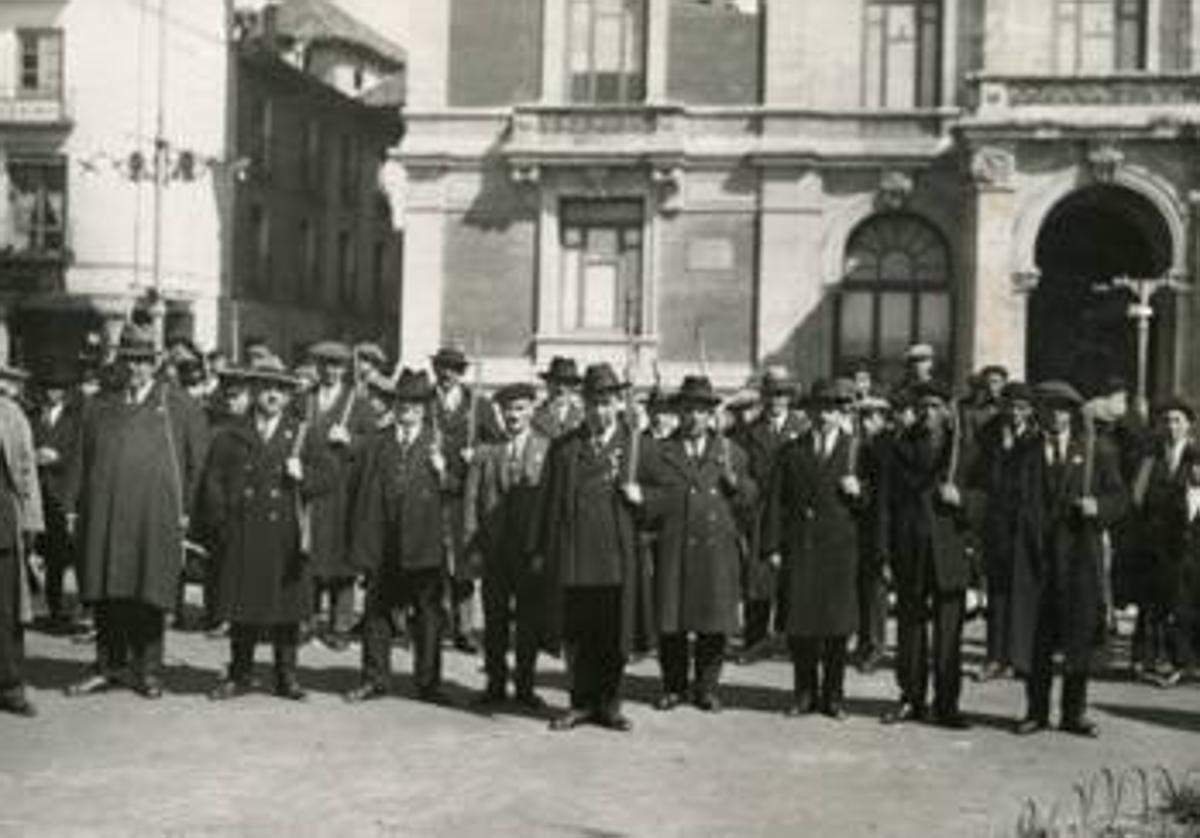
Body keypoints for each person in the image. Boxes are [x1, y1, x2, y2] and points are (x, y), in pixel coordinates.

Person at [63, 323, 208, 699]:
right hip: (104, 514)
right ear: (119, 361)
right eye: (129, 360)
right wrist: (70, 506)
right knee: (107, 590)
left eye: (143, 361)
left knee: (149, 591)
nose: (136, 369)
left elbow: (198, 465)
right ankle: (106, 667)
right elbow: (80, 458)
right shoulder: (99, 404)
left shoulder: (179, 404)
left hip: (154, 516)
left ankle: (148, 670)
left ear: (155, 363)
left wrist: (189, 512)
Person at [203, 355, 335, 701]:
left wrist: (302, 475)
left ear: (290, 395)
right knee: (242, 606)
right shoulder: (231, 434)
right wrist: (222, 523)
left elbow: (329, 476)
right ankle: (240, 673)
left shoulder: (303, 433)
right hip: (242, 530)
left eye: (280, 388)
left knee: (286, 611)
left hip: (285, 534)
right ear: (255, 391)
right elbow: (213, 481)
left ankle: (286, 676)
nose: (273, 394)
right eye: (266, 388)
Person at [1012, 381, 1127, 738]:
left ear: (1072, 414)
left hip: (1079, 557)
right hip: (1038, 557)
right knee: (1038, 638)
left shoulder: (1096, 450)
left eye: (1063, 409)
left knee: (1077, 637)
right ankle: (1036, 711)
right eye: (1049, 408)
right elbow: (1011, 497)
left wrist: (1100, 508)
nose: (1056, 415)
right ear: (1040, 412)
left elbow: (1121, 498)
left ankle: (1074, 713)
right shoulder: (1026, 450)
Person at [532, 363, 642, 732]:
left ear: (618, 404)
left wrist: (644, 497)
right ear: (584, 404)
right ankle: (580, 703)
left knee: (612, 634)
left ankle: (609, 704)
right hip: (575, 555)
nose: (601, 410)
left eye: (608, 403)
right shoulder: (565, 448)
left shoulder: (635, 445)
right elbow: (547, 501)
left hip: (616, 556)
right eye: (594, 403)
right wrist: (540, 550)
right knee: (577, 634)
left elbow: (665, 494)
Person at [638, 375, 756, 713]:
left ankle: (706, 687)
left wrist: (739, 487)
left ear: (710, 415)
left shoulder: (731, 453)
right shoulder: (658, 454)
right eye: (687, 410)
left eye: (701, 411)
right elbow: (647, 496)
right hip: (673, 547)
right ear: (678, 413)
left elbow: (752, 499)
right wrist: (645, 500)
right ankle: (674, 686)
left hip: (716, 550)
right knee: (671, 622)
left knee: (713, 624)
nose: (694, 417)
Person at [345, 369, 452, 705]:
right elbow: (357, 490)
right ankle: (375, 679)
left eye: (416, 403)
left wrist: (444, 472)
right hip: (384, 542)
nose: (409, 408)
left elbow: (459, 491)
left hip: (424, 544)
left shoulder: (440, 442)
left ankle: (428, 683)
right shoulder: (378, 442)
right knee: (376, 613)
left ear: (425, 407)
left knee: (428, 617)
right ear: (395, 404)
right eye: (403, 402)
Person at [763, 379, 864, 720]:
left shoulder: (856, 450)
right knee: (801, 626)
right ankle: (804, 693)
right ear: (808, 412)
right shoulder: (792, 451)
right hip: (801, 547)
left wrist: (859, 490)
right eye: (819, 408)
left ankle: (833, 695)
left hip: (839, 549)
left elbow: (875, 503)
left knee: (836, 629)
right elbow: (776, 502)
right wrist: (772, 546)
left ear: (842, 413)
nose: (825, 415)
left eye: (833, 409)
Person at [882, 381, 977, 729]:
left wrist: (962, 498)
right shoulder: (900, 446)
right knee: (910, 629)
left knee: (950, 634)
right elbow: (888, 505)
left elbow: (987, 498)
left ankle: (947, 704)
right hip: (910, 549)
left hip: (949, 551)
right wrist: (887, 552)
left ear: (949, 413)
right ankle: (911, 698)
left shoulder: (964, 450)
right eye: (923, 406)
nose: (928, 413)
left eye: (936, 406)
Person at [463, 382, 551, 708]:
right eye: (508, 410)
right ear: (499, 413)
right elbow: (472, 501)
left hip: (529, 553)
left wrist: (543, 549)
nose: (514, 416)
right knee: (495, 621)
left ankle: (525, 686)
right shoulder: (487, 452)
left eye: (520, 409)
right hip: (494, 551)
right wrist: (472, 547)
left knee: (528, 623)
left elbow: (549, 505)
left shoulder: (547, 450)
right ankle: (495, 683)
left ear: (531, 411)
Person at [430, 345, 504, 653]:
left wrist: (479, 454)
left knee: (463, 563)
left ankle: (464, 628)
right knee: (432, 560)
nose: (447, 374)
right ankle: (433, 624)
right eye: (442, 367)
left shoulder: (479, 406)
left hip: (464, 495)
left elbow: (500, 443)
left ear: (462, 374)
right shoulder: (425, 402)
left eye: (454, 368)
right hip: (430, 493)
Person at [303, 340, 372, 651]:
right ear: (317, 367)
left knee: (342, 564)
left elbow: (372, 445)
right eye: (325, 365)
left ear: (346, 369)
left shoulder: (357, 403)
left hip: (344, 493)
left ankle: (340, 626)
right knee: (309, 558)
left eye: (336, 366)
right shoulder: (305, 399)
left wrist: (351, 440)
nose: (330, 371)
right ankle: (307, 621)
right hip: (311, 489)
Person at [969, 382, 1039, 682]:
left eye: (1021, 407)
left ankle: (1020, 657)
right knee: (996, 594)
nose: (1015, 413)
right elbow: (980, 478)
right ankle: (994, 657)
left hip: (1024, 526)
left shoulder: (1037, 438)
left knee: (1023, 593)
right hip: (995, 525)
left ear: (1030, 410)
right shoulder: (988, 435)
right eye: (1010, 406)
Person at [735, 366, 805, 662]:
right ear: (763, 397)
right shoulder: (749, 432)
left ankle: (787, 637)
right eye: (772, 394)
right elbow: (742, 470)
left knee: (791, 578)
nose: (777, 400)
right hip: (761, 513)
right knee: (759, 578)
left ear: (789, 397)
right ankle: (754, 640)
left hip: (793, 512)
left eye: (782, 394)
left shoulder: (801, 429)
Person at [1130, 397, 1197, 687]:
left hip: (1187, 542)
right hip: (1153, 541)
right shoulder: (1151, 456)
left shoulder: (1196, 457)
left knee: (1183, 602)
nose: (1171, 427)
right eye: (1166, 421)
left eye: (1177, 421)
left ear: (1189, 426)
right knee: (1151, 602)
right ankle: (1145, 658)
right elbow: (1137, 496)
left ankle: (1182, 661)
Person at [0, 361, 44, 717]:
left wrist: (31, 526)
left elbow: (27, 472)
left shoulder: (12, 415)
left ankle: (10, 686)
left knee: (7, 611)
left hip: (2, 525)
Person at [31, 365, 84, 633]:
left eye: (59, 389)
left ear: (65, 393)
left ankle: (74, 609)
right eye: (50, 388)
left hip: (63, 493)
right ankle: (52, 608)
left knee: (64, 554)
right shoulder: (34, 416)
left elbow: (78, 455)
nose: (54, 393)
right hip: (38, 494)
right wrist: (35, 455)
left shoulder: (75, 419)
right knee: (48, 555)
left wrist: (58, 458)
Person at [852, 391, 891, 673]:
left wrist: (860, 490)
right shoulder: (862, 446)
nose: (864, 423)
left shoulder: (884, 449)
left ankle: (876, 646)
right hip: (860, 528)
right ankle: (864, 642)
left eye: (870, 418)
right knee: (863, 589)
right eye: (861, 417)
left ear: (882, 419)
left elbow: (882, 495)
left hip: (878, 526)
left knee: (875, 590)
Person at [531, 356, 584, 440]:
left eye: (566, 383)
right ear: (548, 384)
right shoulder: (533, 417)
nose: (560, 388)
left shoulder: (582, 417)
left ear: (573, 387)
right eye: (556, 382)